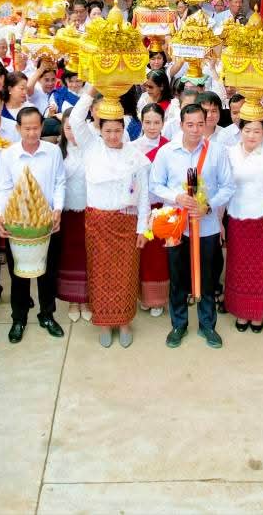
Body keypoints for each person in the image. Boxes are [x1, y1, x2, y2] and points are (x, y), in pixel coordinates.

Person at [67, 88, 152, 348]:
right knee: (101, 275)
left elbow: (143, 197)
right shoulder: (91, 148)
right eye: (108, 131)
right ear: (100, 130)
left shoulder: (135, 157)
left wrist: (142, 229)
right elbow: (75, 119)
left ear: (124, 130)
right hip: (98, 224)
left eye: (117, 130)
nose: (113, 136)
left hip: (127, 223)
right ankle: (104, 322)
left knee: (126, 275)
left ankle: (124, 322)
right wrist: (91, 89)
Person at [150, 103, 236, 350]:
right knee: (177, 277)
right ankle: (179, 324)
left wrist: (208, 206)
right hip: (176, 227)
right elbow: (155, 184)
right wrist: (176, 197)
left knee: (208, 278)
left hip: (206, 226)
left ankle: (207, 325)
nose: (195, 129)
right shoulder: (167, 152)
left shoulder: (216, 151)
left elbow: (228, 186)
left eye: (200, 124)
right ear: (181, 125)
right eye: (190, 125)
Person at [0, 107, 67, 344]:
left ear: (42, 126)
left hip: (47, 222)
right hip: (18, 224)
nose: (32, 133)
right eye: (27, 129)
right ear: (18, 128)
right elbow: (4, 187)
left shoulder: (53, 152)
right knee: (19, 274)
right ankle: (19, 318)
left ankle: (47, 315)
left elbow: (60, 182)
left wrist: (58, 209)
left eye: (36, 128)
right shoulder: (9, 155)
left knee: (48, 272)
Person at [224, 108, 263, 334]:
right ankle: (241, 311)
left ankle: (258, 313)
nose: (252, 135)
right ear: (240, 130)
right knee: (238, 266)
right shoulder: (229, 152)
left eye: (257, 131)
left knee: (261, 267)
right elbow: (224, 185)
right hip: (237, 216)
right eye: (247, 130)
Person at [134, 104, 170, 317]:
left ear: (163, 123)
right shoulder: (133, 148)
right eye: (147, 122)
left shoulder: (169, 147)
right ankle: (143, 297)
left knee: (158, 255)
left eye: (156, 122)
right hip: (140, 208)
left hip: (162, 209)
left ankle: (158, 299)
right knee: (142, 253)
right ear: (141, 122)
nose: (152, 126)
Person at [56, 115, 91, 323]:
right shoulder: (57, 152)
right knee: (69, 256)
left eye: (76, 127)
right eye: (68, 128)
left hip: (89, 211)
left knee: (87, 256)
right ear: (63, 129)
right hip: (67, 212)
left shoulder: (92, 149)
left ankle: (86, 299)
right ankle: (72, 300)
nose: (73, 133)